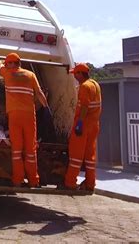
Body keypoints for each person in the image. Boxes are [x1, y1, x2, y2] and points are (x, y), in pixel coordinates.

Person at [0, 52, 49, 188]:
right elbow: (39, 93)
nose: (6, 65)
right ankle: (34, 181)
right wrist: (46, 109)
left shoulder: (8, 73)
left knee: (16, 150)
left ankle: (18, 180)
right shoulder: (30, 75)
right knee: (30, 149)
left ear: (10, 63)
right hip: (29, 115)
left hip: (15, 115)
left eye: (7, 63)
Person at [62, 63, 102, 193]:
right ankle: (90, 183)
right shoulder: (95, 84)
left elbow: (84, 106)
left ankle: (70, 183)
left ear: (80, 73)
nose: (74, 76)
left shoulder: (84, 86)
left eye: (75, 73)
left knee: (76, 155)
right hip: (94, 124)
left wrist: (79, 122)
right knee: (90, 156)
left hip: (83, 125)